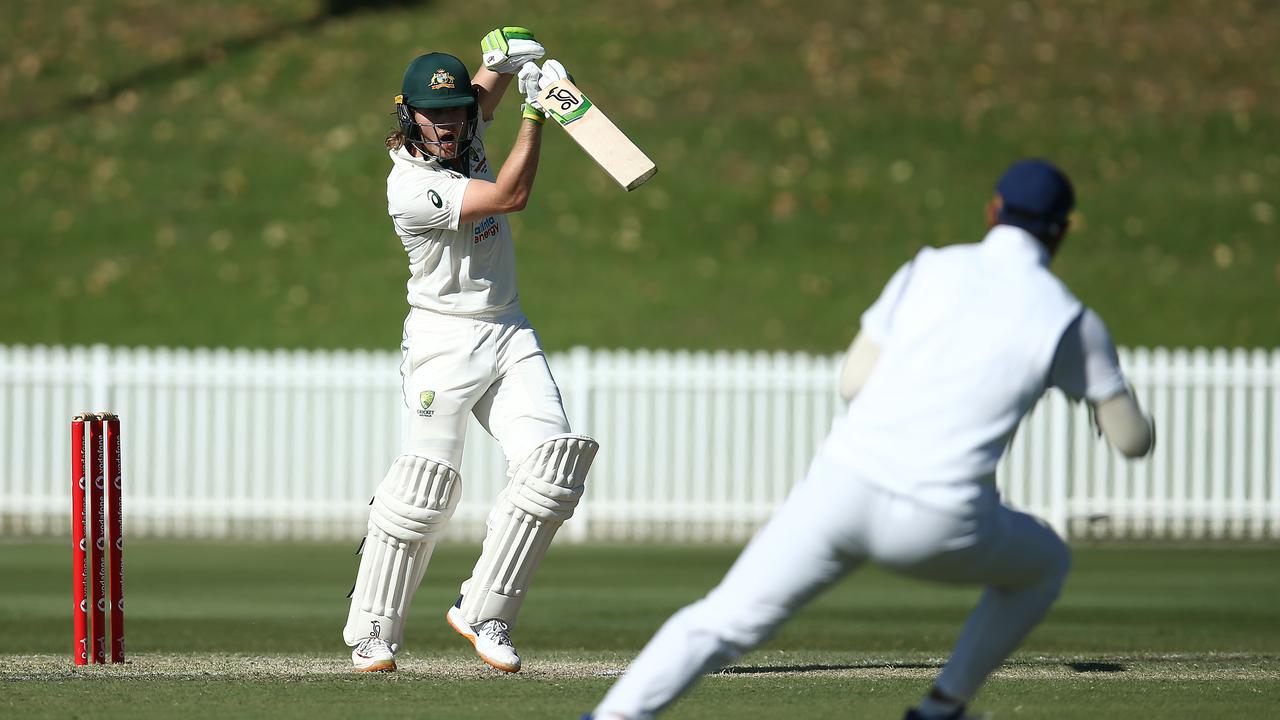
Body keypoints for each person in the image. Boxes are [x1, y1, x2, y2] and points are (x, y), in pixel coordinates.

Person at [587, 159, 1155, 719]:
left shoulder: (927, 268)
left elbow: (853, 382)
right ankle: (943, 707)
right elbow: (1131, 442)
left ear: (993, 211)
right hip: (942, 519)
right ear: (1062, 232)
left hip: (839, 490)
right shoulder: (1072, 321)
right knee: (1046, 561)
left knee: (722, 620)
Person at [342, 27, 600, 675]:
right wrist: (536, 115)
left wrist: (506, 62)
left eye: (458, 111)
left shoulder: (467, 126)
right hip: (442, 341)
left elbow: (483, 95)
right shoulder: (410, 187)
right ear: (408, 118)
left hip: (508, 331)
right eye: (435, 115)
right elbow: (510, 197)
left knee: (551, 468)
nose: (450, 125)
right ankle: (372, 632)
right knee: (423, 491)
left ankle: (485, 612)